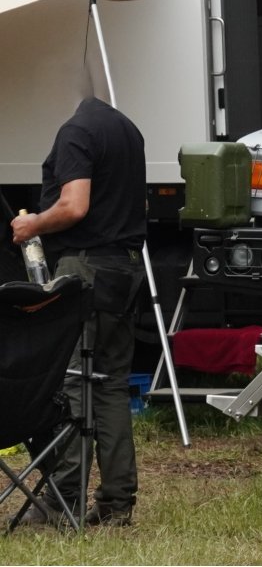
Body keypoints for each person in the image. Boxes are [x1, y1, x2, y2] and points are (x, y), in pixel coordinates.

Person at [9, 96, 147, 527]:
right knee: (109, 383)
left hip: (86, 268)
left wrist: (31, 225)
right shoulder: (127, 130)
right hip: (126, 266)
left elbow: (75, 206)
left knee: (72, 381)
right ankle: (116, 501)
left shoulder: (76, 132)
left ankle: (61, 496)